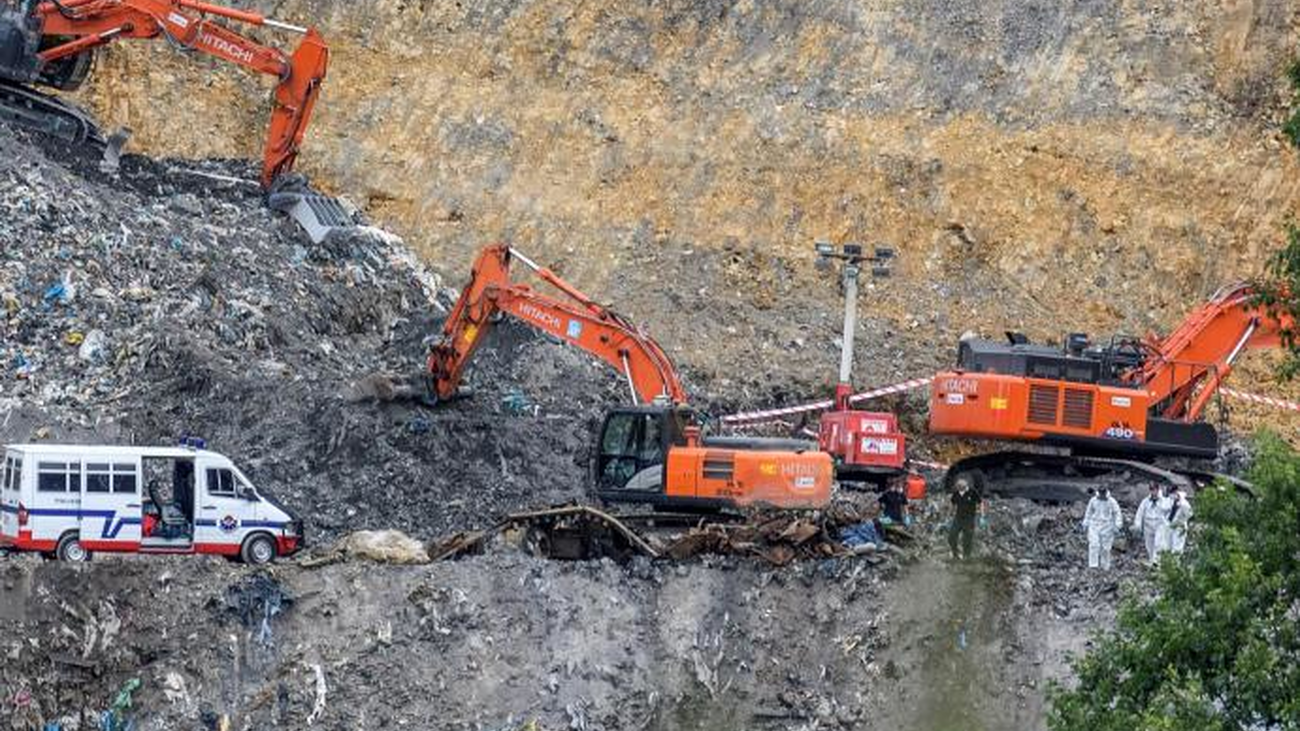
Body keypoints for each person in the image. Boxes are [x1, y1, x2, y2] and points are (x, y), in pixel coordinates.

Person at [1083, 487, 1123, 570]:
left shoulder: (1112, 501)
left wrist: (1118, 525)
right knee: (1094, 544)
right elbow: (1089, 512)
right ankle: (1093, 565)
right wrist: (1086, 523)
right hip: (1094, 525)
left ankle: (1105, 566)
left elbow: (1117, 513)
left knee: (1106, 548)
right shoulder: (1093, 500)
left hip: (1107, 526)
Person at [948, 476, 982, 560]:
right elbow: (952, 503)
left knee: (967, 539)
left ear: (965, 486)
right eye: (958, 487)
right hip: (958, 518)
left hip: (969, 519)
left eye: (961, 487)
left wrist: (982, 515)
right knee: (952, 536)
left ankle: (966, 556)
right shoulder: (956, 493)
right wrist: (949, 513)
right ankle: (955, 553)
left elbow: (980, 503)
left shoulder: (972, 492)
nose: (959, 488)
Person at [1132, 484, 1166, 565]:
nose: (1153, 491)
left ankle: (1156, 561)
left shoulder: (1164, 501)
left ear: (1158, 489)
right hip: (1148, 525)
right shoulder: (1145, 501)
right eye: (1151, 490)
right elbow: (1140, 513)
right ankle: (1151, 559)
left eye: (1154, 489)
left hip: (1159, 524)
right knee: (1149, 544)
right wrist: (1138, 524)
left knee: (1158, 543)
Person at [1166, 489, 1192, 554]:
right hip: (1172, 527)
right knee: (1170, 546)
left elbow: (1190, 514)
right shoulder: (1173, 501)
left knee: (1177, 548)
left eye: (1172, 494)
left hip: (1180, 527)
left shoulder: (1184, 503)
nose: (1171, 496)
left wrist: (1180, 521)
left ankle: (1176, 563)